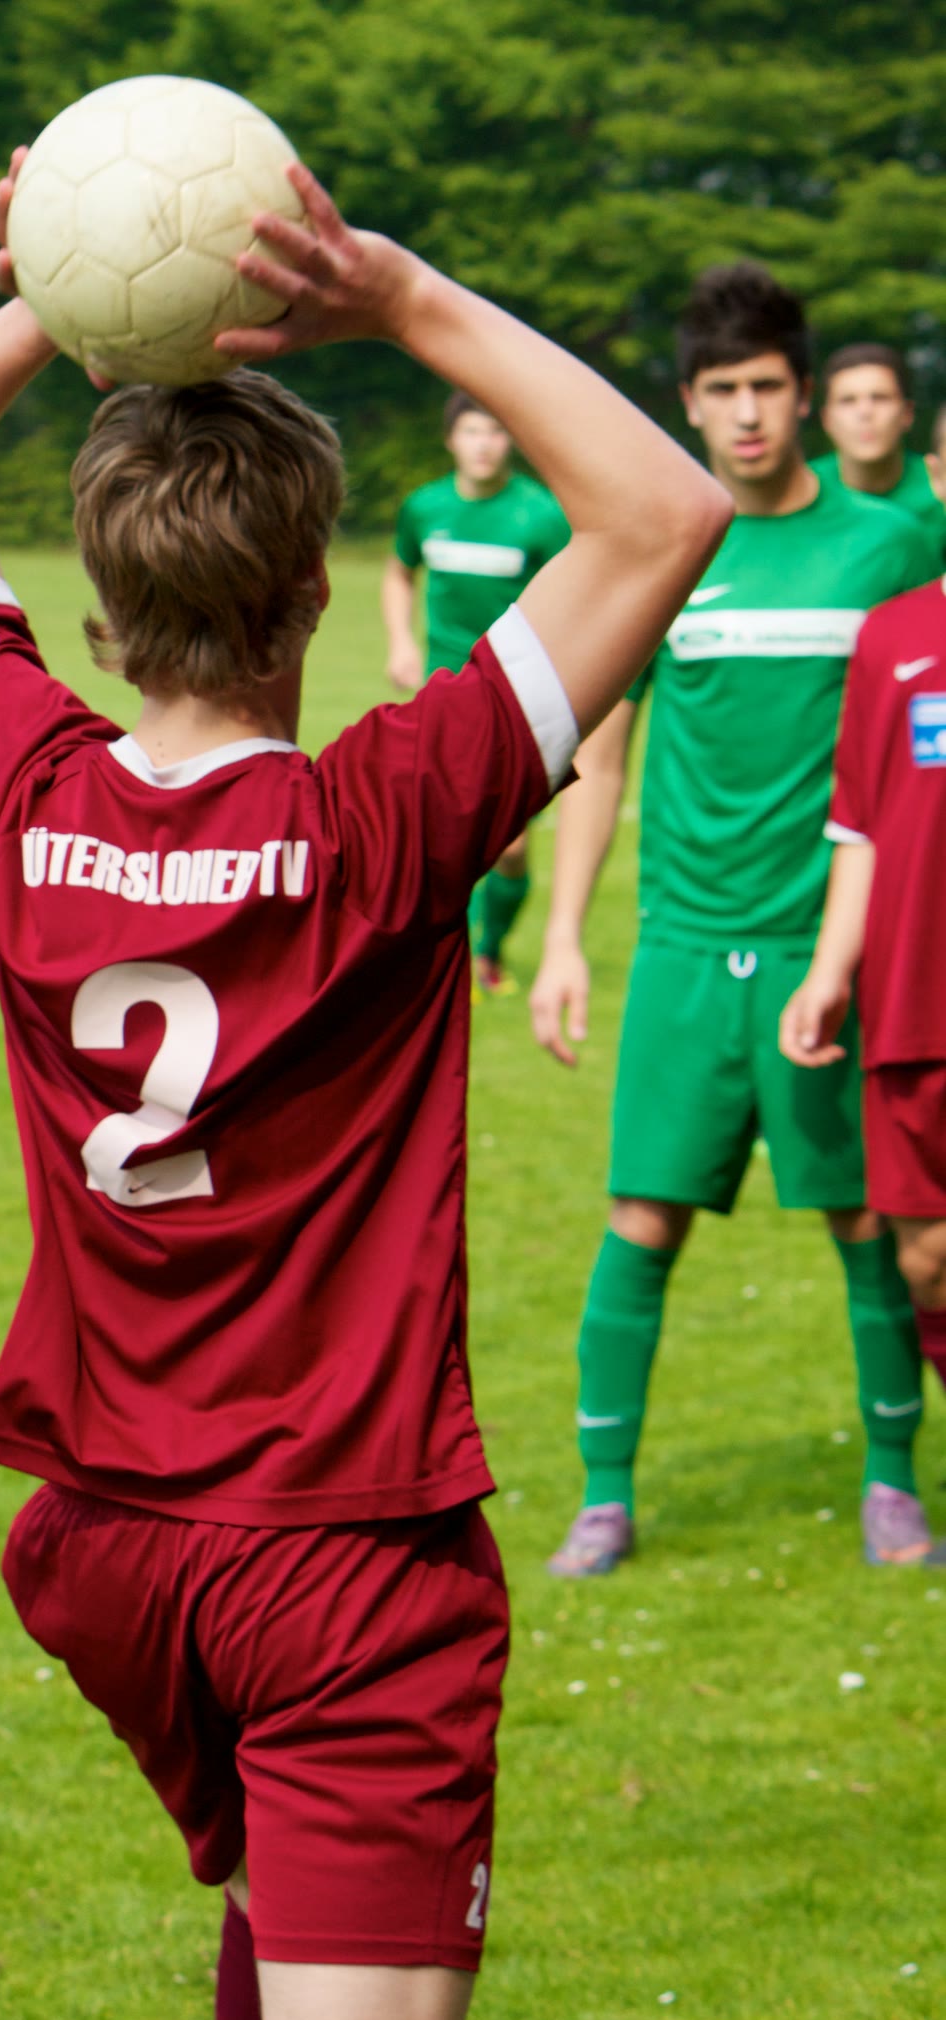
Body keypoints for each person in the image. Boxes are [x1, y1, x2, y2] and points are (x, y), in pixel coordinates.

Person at [0, 146, 728, 2020]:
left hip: (105, 1543)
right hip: (340, 1553)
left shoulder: (23, 794)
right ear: (317, 588)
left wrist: (59, 292)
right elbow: (663, 508)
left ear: (97, 605)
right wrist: (398, 296)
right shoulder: (387, 820)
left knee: (278, 1932)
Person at [529, 263, 941, 1579]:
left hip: (837, 955)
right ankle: (602, 1498)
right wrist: (560, 936)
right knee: (639, 1219)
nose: (747, 413)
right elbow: (598, 752)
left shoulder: (892, 544)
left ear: (803, 394)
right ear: (689, 402)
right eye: (722, 390)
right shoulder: (662, 544)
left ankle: (892, 1485)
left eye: (767, 386)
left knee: (867, 1226)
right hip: (684, 948)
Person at [780, 573, 946, 1565]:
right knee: (926, 1258)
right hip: (915, 999)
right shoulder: (893, 633)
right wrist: (830, 971)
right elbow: (860, 825)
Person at [383, 393, 570, 991]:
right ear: (451, 440)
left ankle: (490, 951)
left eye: (494, 431)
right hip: (441, 693)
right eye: (471, 431)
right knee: (431, 833)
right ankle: (435, 958)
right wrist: (401, 642)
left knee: (509, 848)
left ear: (509, 439)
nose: (483, 444)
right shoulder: (425, 507)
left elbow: (569, 599)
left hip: (515, 697)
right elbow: (399, 571)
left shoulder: (541, 515)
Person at [813, 343, 946, 562]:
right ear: (826, 419)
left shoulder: (939, 487)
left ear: (907, 413)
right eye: (848, 400)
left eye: (880, 398)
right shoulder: (802, 491)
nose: (865, 412)